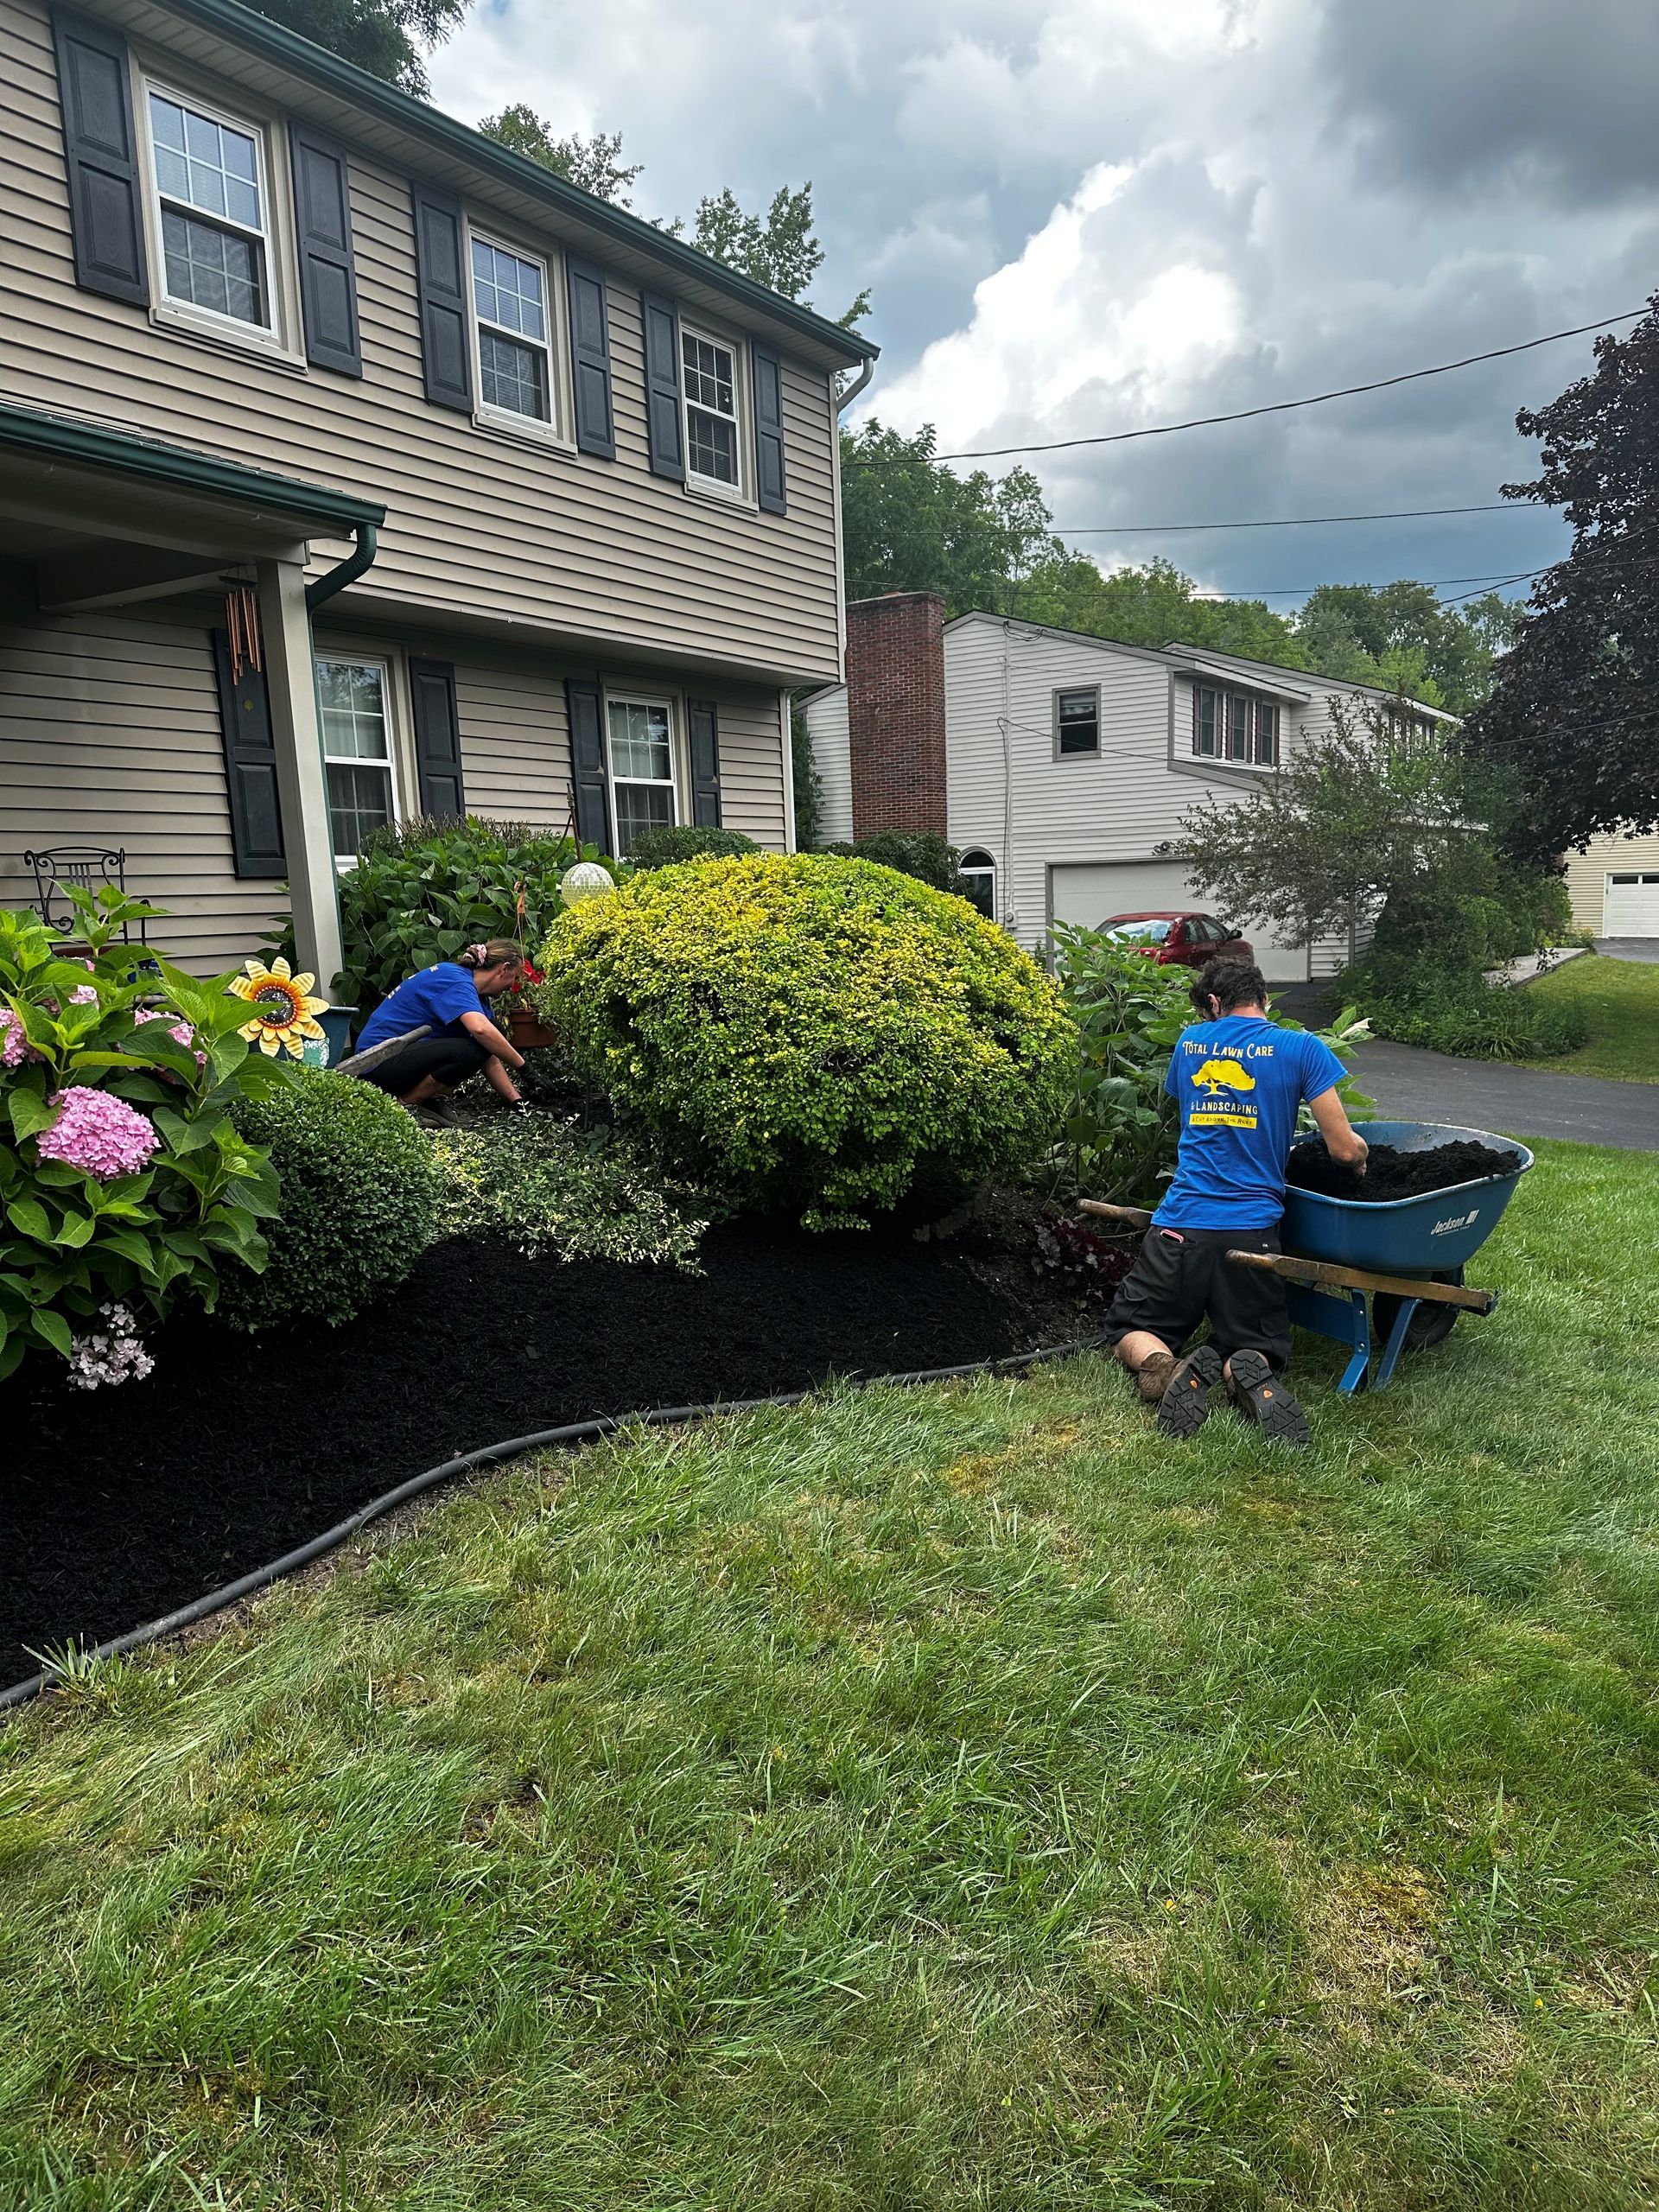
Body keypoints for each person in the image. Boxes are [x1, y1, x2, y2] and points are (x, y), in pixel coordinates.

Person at [1103, 955, 1370, 1446]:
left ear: (1212, 1003)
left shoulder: (1190, 1042)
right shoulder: (1301, 1047)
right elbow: (1341, 1147)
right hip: (1250, 1233)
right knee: (1255, 1340)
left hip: (1179, 1225)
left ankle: (1163, 1368)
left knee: (1130, 1328)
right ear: (1263, 998)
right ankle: (1246, 1370)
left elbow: (1199, 1117)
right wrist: (1359, 1158)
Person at [347, 939, 530, 1127]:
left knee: (488, 1036)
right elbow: (480, 1030)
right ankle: (405, 1106)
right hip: (377, 1061)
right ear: (503, 969)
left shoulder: (477, 996)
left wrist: (517, 1101)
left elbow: (488, 1054)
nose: (514, 985)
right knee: (471, 1049)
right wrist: (524, 1068)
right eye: (515, 977)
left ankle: (427, 1101)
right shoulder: (454, 979)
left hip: (402, 1058)